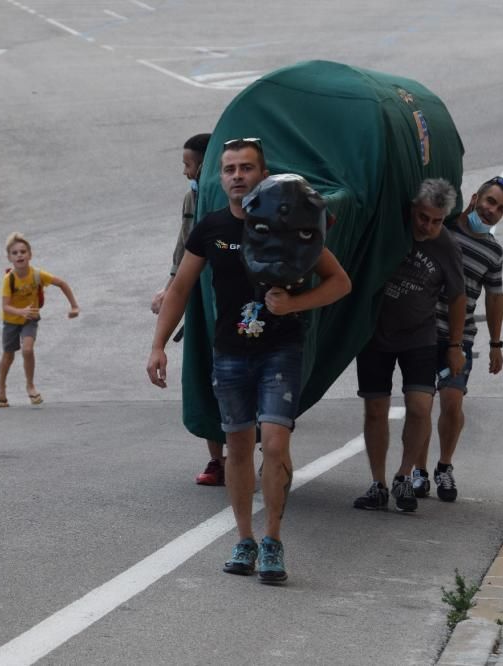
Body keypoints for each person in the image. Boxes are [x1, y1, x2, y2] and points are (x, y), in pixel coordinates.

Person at [147, 139, 351, 584]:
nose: (237, 176)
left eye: (246, 168)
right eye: (229, 169)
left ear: (263, 174)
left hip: (281, 349)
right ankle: (244, 539)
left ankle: (273, 541)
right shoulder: (211, 227)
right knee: (238, 447)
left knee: (275, 444)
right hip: (230, 353)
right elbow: (180, 288)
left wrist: (295, 305)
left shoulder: (290, 222)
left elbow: (340, 282)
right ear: (220, 178)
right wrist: (158, 344)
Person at [352, 178, 466, 513]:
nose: (428, 226)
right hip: (375, 334)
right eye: (423, 217)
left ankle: (404, 473)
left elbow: (458, 297)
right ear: (412, 209)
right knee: (375, 409)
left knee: (420, 407)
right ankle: (378, 483)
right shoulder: (390, 229)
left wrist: (455, 345)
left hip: (419, 336)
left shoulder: (445, 246)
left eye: (436, 221)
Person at [412, 176, 503, 502]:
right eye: (490, 202)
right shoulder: (442, 229)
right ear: (474, 198)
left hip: (460, 338)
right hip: (422, 333)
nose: (492, 211)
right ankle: (418, 470)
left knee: (453, 403)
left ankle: (444, 466)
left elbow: (494, 298)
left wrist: (496, 344)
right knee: (421, 405)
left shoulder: (493, 252)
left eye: (500, 208)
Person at [150, 133, 227, 486]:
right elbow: (183, 249)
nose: (185, 172)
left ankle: (260, 452)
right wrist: (169, 290)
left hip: (231, 301)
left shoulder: (231, 201)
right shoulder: (191, 197)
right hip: (197, 296)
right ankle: (217, 460)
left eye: (189, 164)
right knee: (204, 374)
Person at [0, 232, 80, 408]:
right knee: (8, 356)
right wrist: (20, 311)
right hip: (11, 320)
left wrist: (74, 306)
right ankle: (1, 388)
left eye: (23, 251)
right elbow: (5, 306)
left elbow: (62, 283)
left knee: (27, 349)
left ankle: (30, 385)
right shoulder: (9, 279)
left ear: (30, 255)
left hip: (30, 319)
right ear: (9, 258)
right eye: (15, 253)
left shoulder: (37, 275)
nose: (19, 255)